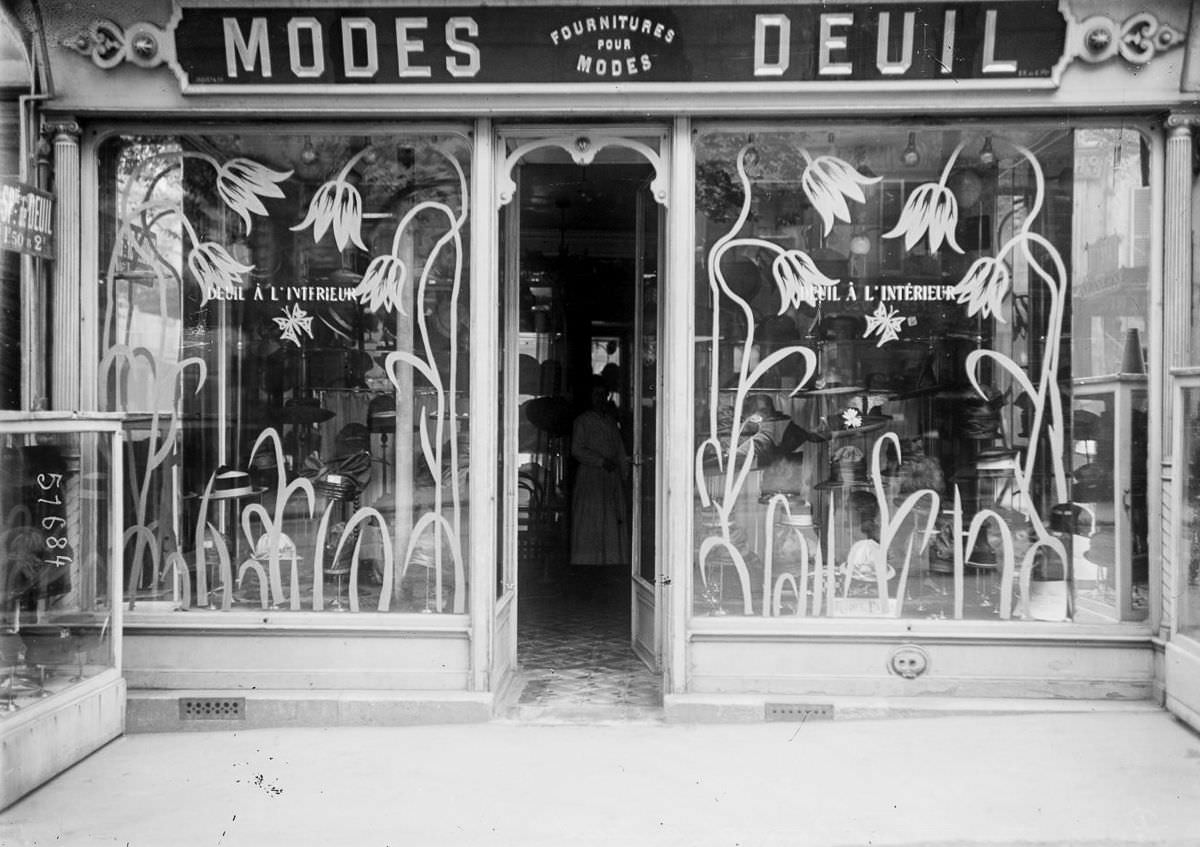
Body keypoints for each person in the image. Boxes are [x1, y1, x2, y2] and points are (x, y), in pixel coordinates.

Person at [569, 377, 630, 587]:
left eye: (602, 394)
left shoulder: (610, 420)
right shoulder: (582, 421)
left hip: (610, 478)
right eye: (595, 395)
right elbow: (577, 450)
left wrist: (624, 473)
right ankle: (588, 567)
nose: (599, 399)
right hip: (591, 477)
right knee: (591, 521)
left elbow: (620, 449)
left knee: (611, 521)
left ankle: (610, 565)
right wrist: (600, 461)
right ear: (590, 397)